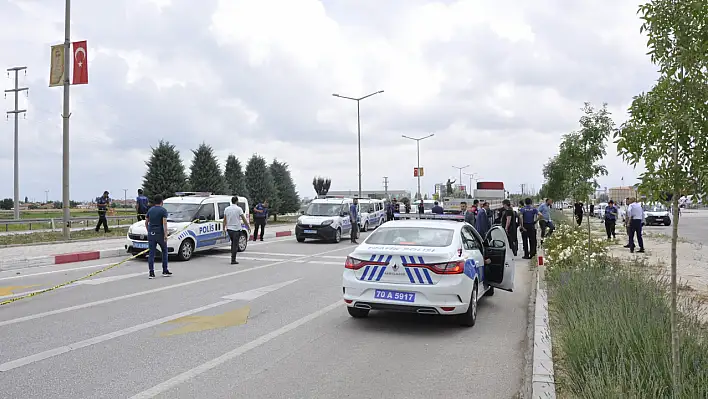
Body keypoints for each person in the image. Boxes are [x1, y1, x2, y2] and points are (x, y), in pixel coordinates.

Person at [145, 194, 172, 278]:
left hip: (151, 234)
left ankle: (151, 272)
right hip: (160, 234)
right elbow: (164, 223)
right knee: (164, 251)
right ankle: (165, 270)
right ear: (162, 202)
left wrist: (148, 230)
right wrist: (165, 234)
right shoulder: (163, 211)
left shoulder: (150, 210)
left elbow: (146, 222)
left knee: (151, 253)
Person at [223, 196, 251, 264]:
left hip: (229, 229)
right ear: (237, 201)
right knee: (235, 245)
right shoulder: (239, 209)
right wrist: (248, 227)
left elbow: (224, 220)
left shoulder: (226, 209)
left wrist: (223, 228)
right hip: (236, 229)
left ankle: (233, 257)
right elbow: (244, 219)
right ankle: (233, 259)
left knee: (233, 243)